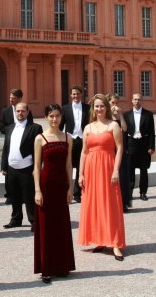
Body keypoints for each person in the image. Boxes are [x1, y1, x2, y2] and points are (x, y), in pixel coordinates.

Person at [78, 94, 125, 260]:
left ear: (107, 107)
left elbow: (119, 149)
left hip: (107, 167)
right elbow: (84, 152)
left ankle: (115, 243)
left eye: (102, 106)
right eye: (96, 106)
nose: (99, 109)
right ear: (93, 108)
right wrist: (80, 174)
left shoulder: (113, 125)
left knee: (110, 204)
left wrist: (116, 170)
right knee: (95, 204)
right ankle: (100, 239)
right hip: (91, 169)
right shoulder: (88, 128)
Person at [34, 104, 75, 283]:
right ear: (46, 117)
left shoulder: (68, 137)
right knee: (46, 226)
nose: (54, 119)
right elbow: (36, 167)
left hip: (60, 186)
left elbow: (68, 165)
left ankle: (61, 265)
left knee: (61, 224)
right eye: (51, 116)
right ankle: (46, 267)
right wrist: (37, 190)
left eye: (57, 116)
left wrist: (71, 188)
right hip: (45, 185)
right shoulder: (40, 138)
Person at [1, 102, 43, 231]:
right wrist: (4, 166)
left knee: (29, 196)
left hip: (27, 167)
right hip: (12, 167)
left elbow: (39, 150)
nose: (20, 113)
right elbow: (6, 147)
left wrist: (37, 168)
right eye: (18, 111)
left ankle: (34, 221)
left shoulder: (35, 128)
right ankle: (16, 219)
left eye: (23, 111)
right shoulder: (9, 128)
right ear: (15, 112)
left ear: (28, 112)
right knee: (14, 196)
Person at [0, 88, 33, 205]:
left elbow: (31, 128)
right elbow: (1, 127)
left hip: (25, 153)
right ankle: (9, 196)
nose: (11, 99)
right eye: (10, 97)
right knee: (9, 176)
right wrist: (11, 132)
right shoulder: (5, 112)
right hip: (11, 139)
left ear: (19, 98)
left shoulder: (28, 111)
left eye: (13, 97)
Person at [59, 85, 90, 203]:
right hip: (70, 139)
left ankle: (77, 193)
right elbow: (61, 126)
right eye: (74, 94)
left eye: (78, 93)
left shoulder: (87, 108)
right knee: (68, 166)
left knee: (81, 167)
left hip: (83, 139)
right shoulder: (65, 108)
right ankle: (68, 191)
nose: (76, 96)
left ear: (81, 95)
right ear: (71, 95)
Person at [124, 93, 155, 201]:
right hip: (131, 143)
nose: (137, 101)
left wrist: (151, 146)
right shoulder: (126, 115)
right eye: (135, 99)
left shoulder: (148, 114)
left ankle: (143, 192)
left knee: (143, 169)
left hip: (144, 144)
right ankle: (129, 192)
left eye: (139, 100)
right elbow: (124, 133)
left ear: (142, 101)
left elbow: (152, 131)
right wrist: (125, 148)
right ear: (132, 101)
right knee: (130, 170)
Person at [107, 92, 130, 211]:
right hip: (111, 148)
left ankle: (123, 202)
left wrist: (120, 114)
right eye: (112, 103)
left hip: (120, 147)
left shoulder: (121, 116)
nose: (115, 105)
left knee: (122, 174)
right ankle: (112, 202)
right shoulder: (106, 118)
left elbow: (125, 128)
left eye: (116, 103)